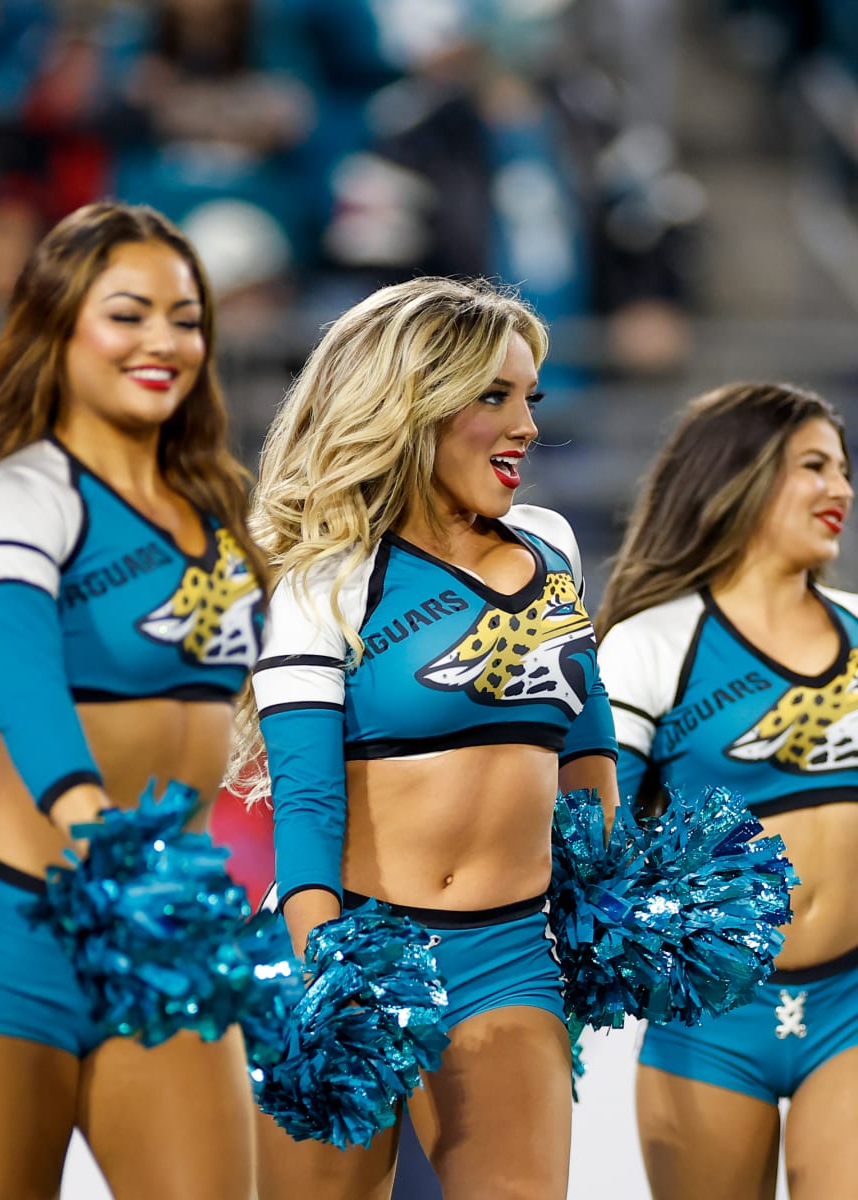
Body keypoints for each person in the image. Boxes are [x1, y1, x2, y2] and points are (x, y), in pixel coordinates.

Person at [0, 199, 268, 1200]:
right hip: (14, 935)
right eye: (129, 313)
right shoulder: (21, 494)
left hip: (162, 937)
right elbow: (24, 683)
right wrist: (89, 818)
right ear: (58, 327)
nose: (164, 342)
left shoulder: (215, 512)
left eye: (186, 319)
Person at [232, 275, 619, 1199]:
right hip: (347, 941)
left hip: (509, 956)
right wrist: (327, 979)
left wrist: (611, 900)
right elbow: (310, 800)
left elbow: (589, 746)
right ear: (415, 405)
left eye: (530, 395)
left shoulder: (551, 545)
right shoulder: (328, 580)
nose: (525, 423)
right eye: (494, 396)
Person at [596, 381, 858, 1200]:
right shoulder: (653, 644)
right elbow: (595, 840)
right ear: (738, 475)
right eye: (814, 466)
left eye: (845, 471)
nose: (841, 491)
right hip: (710, 1023)